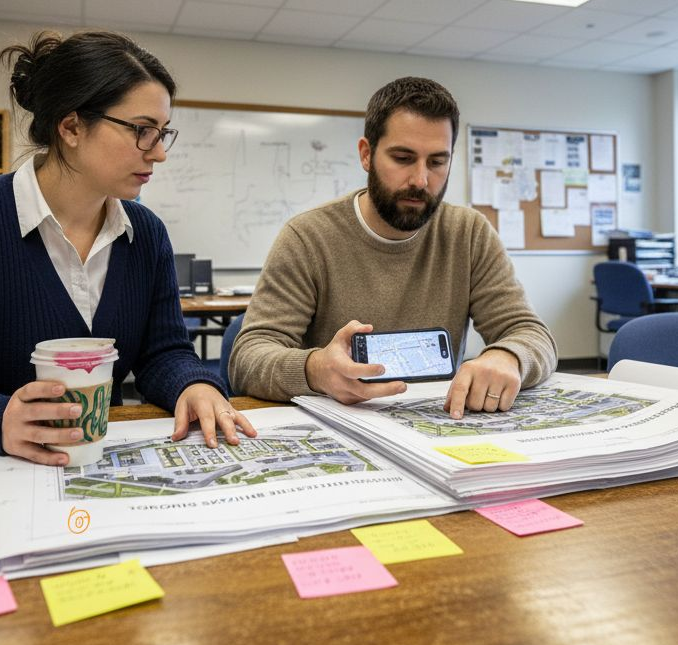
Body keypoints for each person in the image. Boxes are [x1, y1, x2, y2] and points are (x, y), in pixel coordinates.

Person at [0, 30, 255, 466]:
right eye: (143, 131)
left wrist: (193, 385)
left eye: (163, 133)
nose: (159, 153)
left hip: (95, 463)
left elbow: (163, 353)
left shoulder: (146, 233)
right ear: (71, 127)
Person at [229, 77, 557, 418]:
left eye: (437, 162)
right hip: (342, 424)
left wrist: (508, 357)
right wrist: (316, 369)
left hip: (440, 424)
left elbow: (531, 333)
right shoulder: (308, 237)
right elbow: (247, 358)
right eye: (403, 158)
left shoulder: (469, 233)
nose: (420, 180)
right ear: (366, 154)